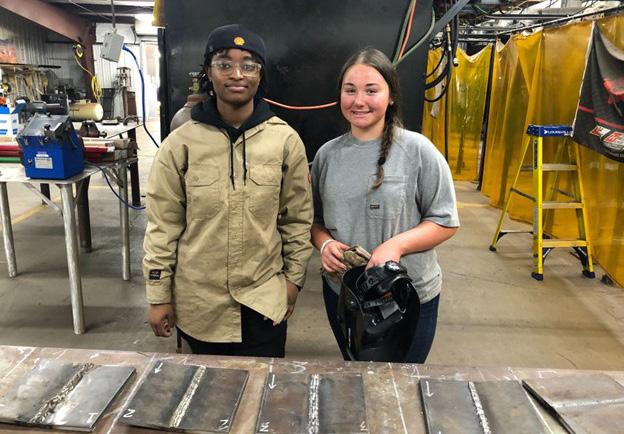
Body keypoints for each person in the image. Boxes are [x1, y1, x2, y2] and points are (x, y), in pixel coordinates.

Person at [143, 24, 313, 357]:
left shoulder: (284, 141)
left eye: (249, 65)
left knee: (263, 386)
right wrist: (158, 295)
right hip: (201, 307)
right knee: (206, 388)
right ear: (209, 72)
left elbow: (297, 219)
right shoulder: (180, 145)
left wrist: (293, 281)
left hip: (263, 302)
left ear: (260, 75)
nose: (237, 74)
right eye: (224, 64)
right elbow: (163, 225)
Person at [310, 48, 459, 363]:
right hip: (345, 294)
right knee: (356, 373)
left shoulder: (418, 151)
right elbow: (315, 221)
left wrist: (396, 246)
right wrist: (325, 245)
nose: (359, 101)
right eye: (350, 90)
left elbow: (445, 221)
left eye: (371, 90)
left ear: (391, 96)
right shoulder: (327, 156)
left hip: (406, 296)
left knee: (401, 381)